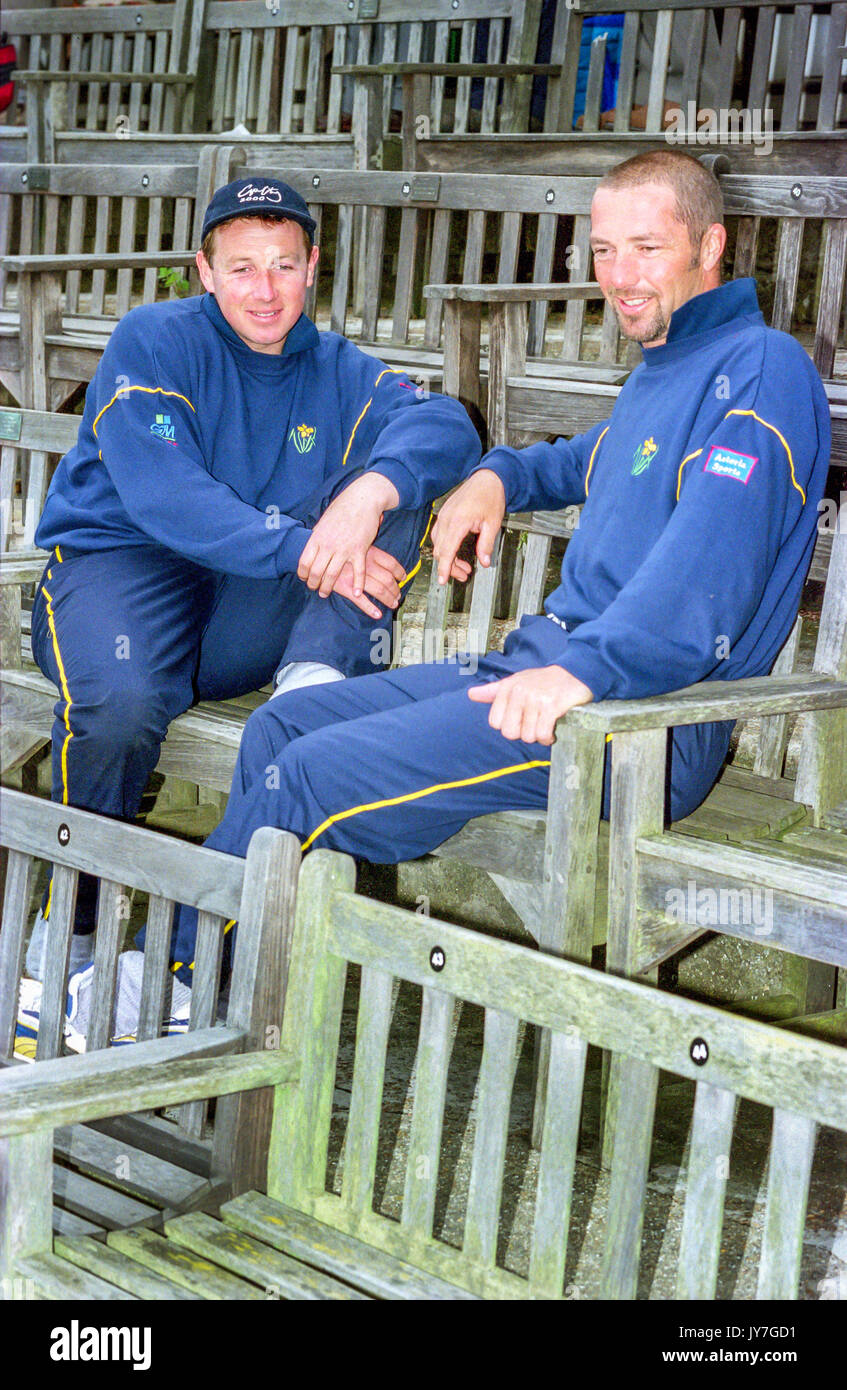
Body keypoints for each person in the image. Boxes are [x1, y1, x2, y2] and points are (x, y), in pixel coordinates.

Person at [29, 148, 832, 1044]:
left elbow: (706, 581)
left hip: (631, 720)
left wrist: (585, 672)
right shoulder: (665, 372)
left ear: (709, 244)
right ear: (206, 271)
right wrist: (496, 475)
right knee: (284, 726)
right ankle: (187, 974)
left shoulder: (759, 368)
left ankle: (169, 988)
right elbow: (581, 460)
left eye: (644, 247)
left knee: (306, 776)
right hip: (550, 674)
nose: (620, 276)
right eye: (604, 251)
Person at [24, 175, 481, 983]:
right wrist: (311, 545)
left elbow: (446, 424)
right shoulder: (154, 339)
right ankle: (75, 924)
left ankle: (311, 683)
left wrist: (368, 498)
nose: (264, 291)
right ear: (204, 270)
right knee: (123, 706)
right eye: (241, 268)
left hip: (249, 614)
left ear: (312, 269)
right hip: (123, 570)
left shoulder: (338, 368)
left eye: (282, 266)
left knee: (388, 487)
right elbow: (166, 495)